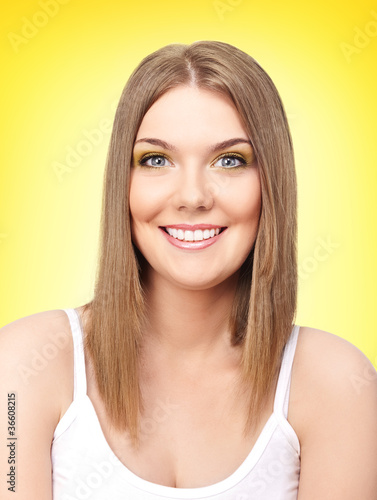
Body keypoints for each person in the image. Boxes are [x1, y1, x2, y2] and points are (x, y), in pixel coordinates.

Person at [1, 41, 376, 500]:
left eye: (230, 160)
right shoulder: (22, 367)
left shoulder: (337, 384)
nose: (193, 196)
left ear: (270, 185)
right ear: (124, 181)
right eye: (156, 160)